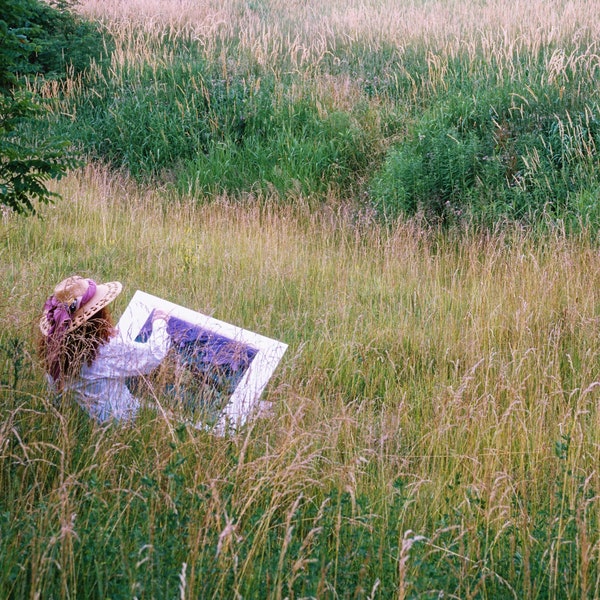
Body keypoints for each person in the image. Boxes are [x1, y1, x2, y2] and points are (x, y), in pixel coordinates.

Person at [39, 275, 171, 422]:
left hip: (84, 421)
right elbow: (154, 354)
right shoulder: (105, 349)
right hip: (119, 421)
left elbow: (54, 391)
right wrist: (160, 320)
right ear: (98, 314)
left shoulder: (55, 349)